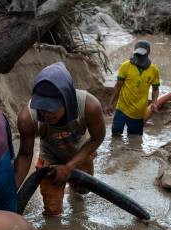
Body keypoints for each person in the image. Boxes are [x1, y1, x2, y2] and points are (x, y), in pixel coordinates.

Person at [14, 62, 106, 216]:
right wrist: (11, 192)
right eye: (41, 107)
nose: (45, 113)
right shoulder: (27, 118)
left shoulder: (89, 106)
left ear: (67, 100)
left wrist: (69, 167)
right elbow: (24, 154)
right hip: (50, 158)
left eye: (51, 108)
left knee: (82, 192)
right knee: (52, 210)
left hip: (81, 151)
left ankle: (75, 194)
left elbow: (98, 138)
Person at [105, 40, 160, 137]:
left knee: (135, 139)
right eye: (137, 54)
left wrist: (154, 102)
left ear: (147, 53)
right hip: (122, 108)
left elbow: (155, 89)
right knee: (116, 135)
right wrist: (110, 104)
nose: (139, 56)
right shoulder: (125, 66)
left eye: (142, 54)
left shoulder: (153, 70)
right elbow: (118, 85)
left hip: (139, 113)